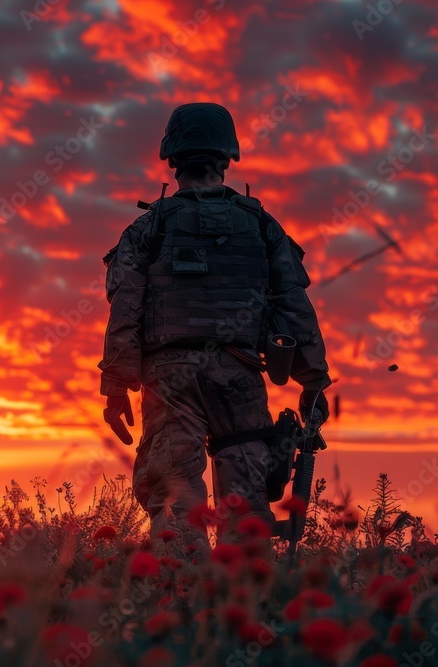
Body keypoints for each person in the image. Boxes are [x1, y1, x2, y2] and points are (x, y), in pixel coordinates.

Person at [97, 102, 332, 553]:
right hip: (238, 373)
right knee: (245, 505)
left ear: (172, 158)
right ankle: (246, 605)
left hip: (169, 379)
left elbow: (125, 310)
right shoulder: (263, 227)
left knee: (174, 499)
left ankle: (181, 605)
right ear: (228, 158)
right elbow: (295, 307)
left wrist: (115, 385)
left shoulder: (148, 229)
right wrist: (313, 383)